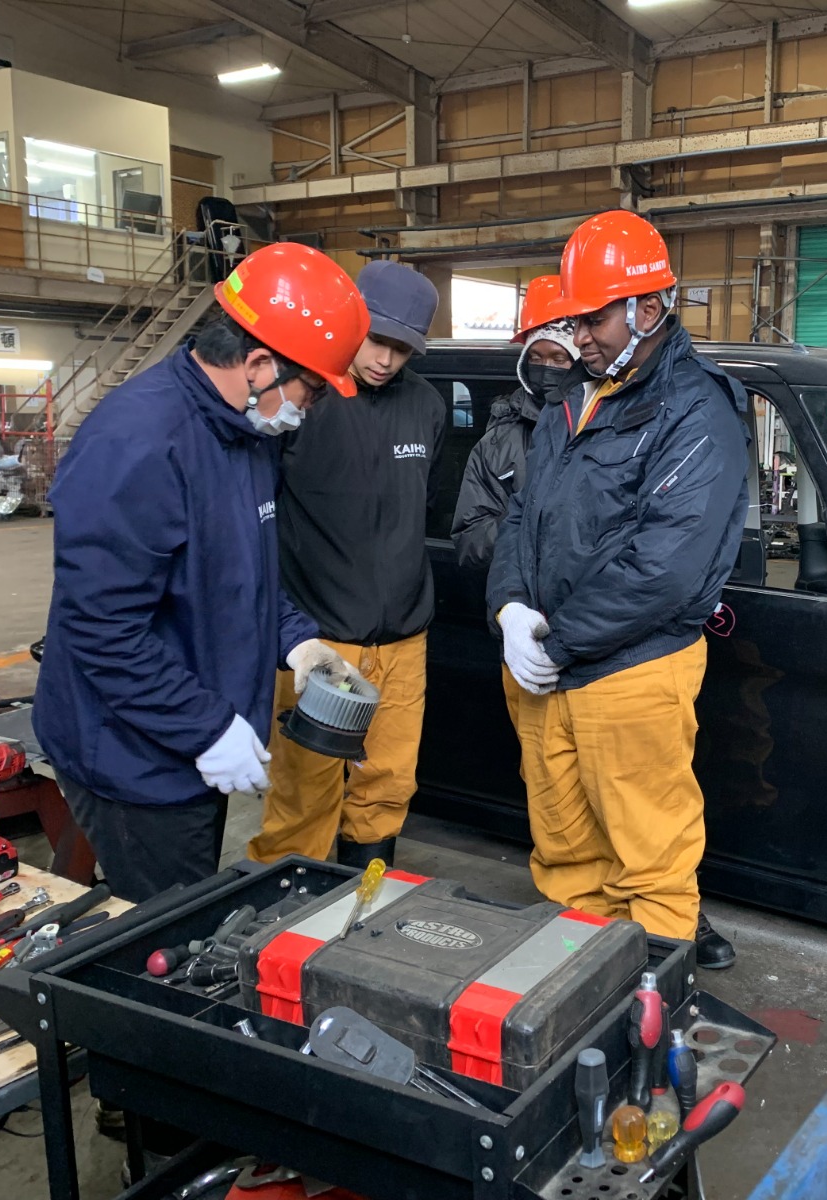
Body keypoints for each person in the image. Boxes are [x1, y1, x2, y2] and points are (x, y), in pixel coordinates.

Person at [34, 243, 370, 903]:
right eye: (312, 389)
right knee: (168, 929)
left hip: (191, 736)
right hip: (133, 757)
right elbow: (101, 631)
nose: (311, 407)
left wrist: (297, 641)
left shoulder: (244, 433)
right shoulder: (138, 444)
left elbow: (238, 573)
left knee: (188, 907)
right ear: (260, 365)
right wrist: (206, 728)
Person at [486, 211, 750, 969]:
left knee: (650, 863)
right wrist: (509, 609)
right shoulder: (573, 400)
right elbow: (521, 516)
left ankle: (651, 1009)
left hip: (629, 672)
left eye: (594, 319)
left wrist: (558, 642)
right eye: (574, 320)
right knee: (566, 852)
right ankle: (584, 994)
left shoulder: (697, 409)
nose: (581, 337)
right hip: (546, 670)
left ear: (647, 308)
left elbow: (666, 566)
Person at [249, 260, 445, 869]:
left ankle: (367, 895)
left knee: (387, 784)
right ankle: (281, 902)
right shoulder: (303, 399)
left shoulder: (427, 406)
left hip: (404, 639)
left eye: (402, 349)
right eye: (376, 340)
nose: (385, 359)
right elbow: (259, 514)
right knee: (303, 793)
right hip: (320, 639)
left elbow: (424, 505)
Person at [451, 274, 579, 569]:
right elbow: (470, 541)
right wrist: (529, 523)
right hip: (516, 593)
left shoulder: (609, 427)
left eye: (559, 358)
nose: (546, 368)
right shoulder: (498, 443)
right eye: (535, 357)